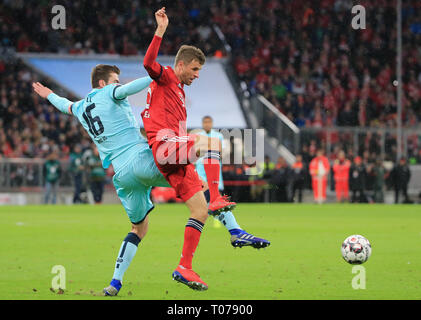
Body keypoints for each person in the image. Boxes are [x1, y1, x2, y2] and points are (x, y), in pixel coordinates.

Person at [141, 7, 237, 290]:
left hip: (174, 156)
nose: (197, 75)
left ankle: (185, 267)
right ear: (181, 65)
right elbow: (148, 63)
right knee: (210, 141)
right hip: (163, 145)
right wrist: (160, 31)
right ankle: (217, 195)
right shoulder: (167, 76)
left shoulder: (178, 92)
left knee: (200, 211)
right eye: (195, 69)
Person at [195, 116, 270, 247]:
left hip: (211, 176)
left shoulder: (217, 135)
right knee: (204, 208)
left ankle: (229, 228)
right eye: (205, 122)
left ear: (211, 123)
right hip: (199, 175)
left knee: (207, 207)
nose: (207, 124)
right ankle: (234, 230)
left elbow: (221, 151)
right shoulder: (197, 135)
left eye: (209, 122)